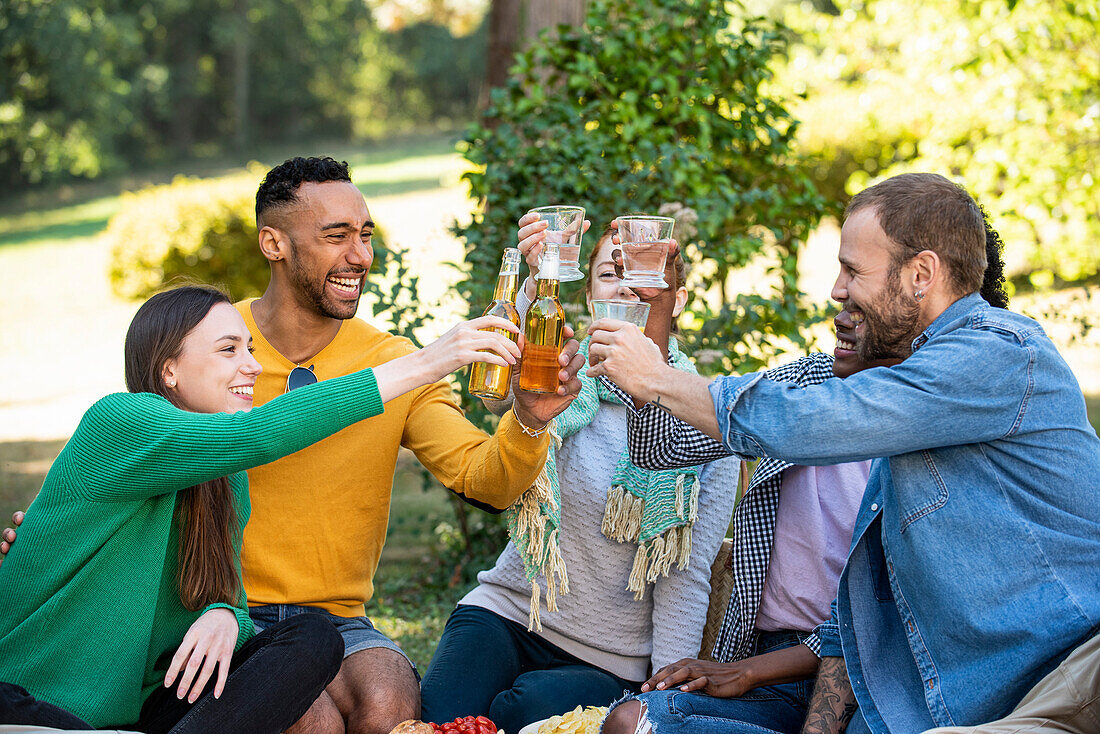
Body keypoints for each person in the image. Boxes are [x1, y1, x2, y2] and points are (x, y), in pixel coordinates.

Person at [586, 173, 1100, 733]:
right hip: (906, 694)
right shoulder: (855, 388)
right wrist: (656, 317)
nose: (836, 291)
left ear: (921, 275)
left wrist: (658, 377)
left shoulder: (998, 354)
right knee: (643, 722)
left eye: (854, 270)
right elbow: (665, 445)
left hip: (1049, 684)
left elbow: (825, 419)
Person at [0, 284, 525, 732]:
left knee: (313, 639)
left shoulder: (226, 479)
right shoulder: (119, 422)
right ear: (168, 372)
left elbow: (225, 592)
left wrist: (225, 614)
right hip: (36, 700)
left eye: (249, 349)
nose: (252, 367)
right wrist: (428, 362)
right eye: (228, 350)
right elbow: (255, 435)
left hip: (137, 710)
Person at [236, 157, 585, 734]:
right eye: (336, 236)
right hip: (230, 616)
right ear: (274, 243)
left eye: (365, 235)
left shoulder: (394, 362)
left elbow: (485, 480)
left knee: (391, 703)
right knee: (312, 720)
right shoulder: (219, 347)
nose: (360, 257)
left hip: (341, 620)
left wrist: (529, 420)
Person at [419, 218, 741, 733]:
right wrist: (533, 283)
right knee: (439, 723)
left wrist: (660, 704)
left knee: (515, 714)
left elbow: (685, 572)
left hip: (607, 657)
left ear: (676, 301)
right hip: (508, 610)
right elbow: (498, 391)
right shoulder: (565, 377)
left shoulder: (705, 418)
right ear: (591, 295)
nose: (628, 286)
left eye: (643, 274)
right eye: (612, 274)